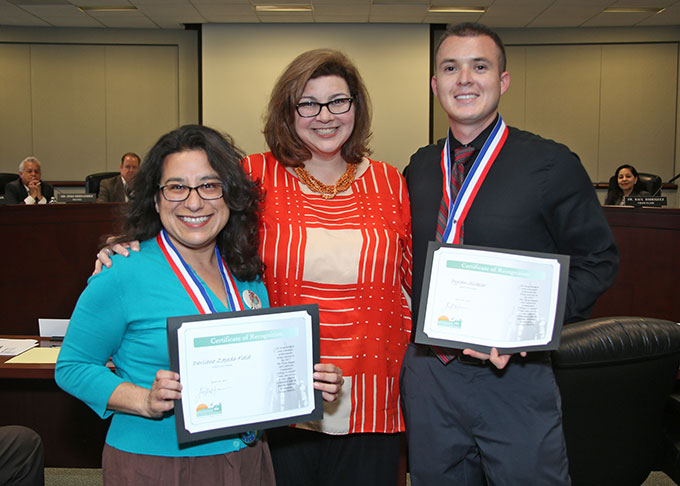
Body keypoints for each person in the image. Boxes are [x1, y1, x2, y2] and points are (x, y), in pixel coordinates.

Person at [96, 49, 413, 486]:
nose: (325, 115)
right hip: (274, 392)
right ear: (288, 110)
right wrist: (130, 244)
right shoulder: (253, 175)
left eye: (339, 101)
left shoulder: (388, 181)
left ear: (356, 107)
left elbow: (409, 280)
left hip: (372, 388)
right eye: (308, 103)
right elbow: (192, 215)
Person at [57, 124, 342, 484]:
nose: (194, 202)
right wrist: (143, 400)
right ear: (156, 198)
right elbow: (72, 366)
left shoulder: (246, 272)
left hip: (248, 456)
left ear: (230, 195)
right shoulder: (121, 271)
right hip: (159, 462)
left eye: (209, 185)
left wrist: (305, 381)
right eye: (176, 187)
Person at [401, 22, 619, 485]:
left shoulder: (551, 163)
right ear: (435, 84)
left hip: (513, 377)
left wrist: (526, 329)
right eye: (450, 68)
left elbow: (598, 259)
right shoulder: (418, 167)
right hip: (429, 375)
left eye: (480, 66)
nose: (465, 79)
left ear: (502, 81)